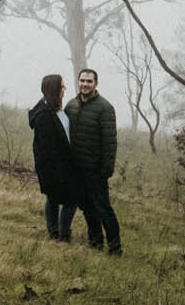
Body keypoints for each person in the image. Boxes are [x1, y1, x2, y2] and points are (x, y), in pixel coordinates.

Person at [28, 74, 97, 246]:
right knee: (68, 199)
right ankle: (60, 234)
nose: (65, 89)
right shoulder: (44, 115)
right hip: (55, 167)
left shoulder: (57, 109)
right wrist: (59, 171)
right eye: (62, 86)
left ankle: (56, 233)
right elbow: (48, 148)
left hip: (65, 164)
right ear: (55, 90)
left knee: (56, 198)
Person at [64, 67, 121, 255]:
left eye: (89, 81)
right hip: (76, 170)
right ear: (78, 82)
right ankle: (95, 243)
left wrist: (106, 169)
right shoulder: (71, 105)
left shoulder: (105, 108)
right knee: (87, 208)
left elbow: (110, 142)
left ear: (96, 84)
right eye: (82, 80)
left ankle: (115, 248)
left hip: (96, 170)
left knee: (104, 209)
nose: (85, 84)